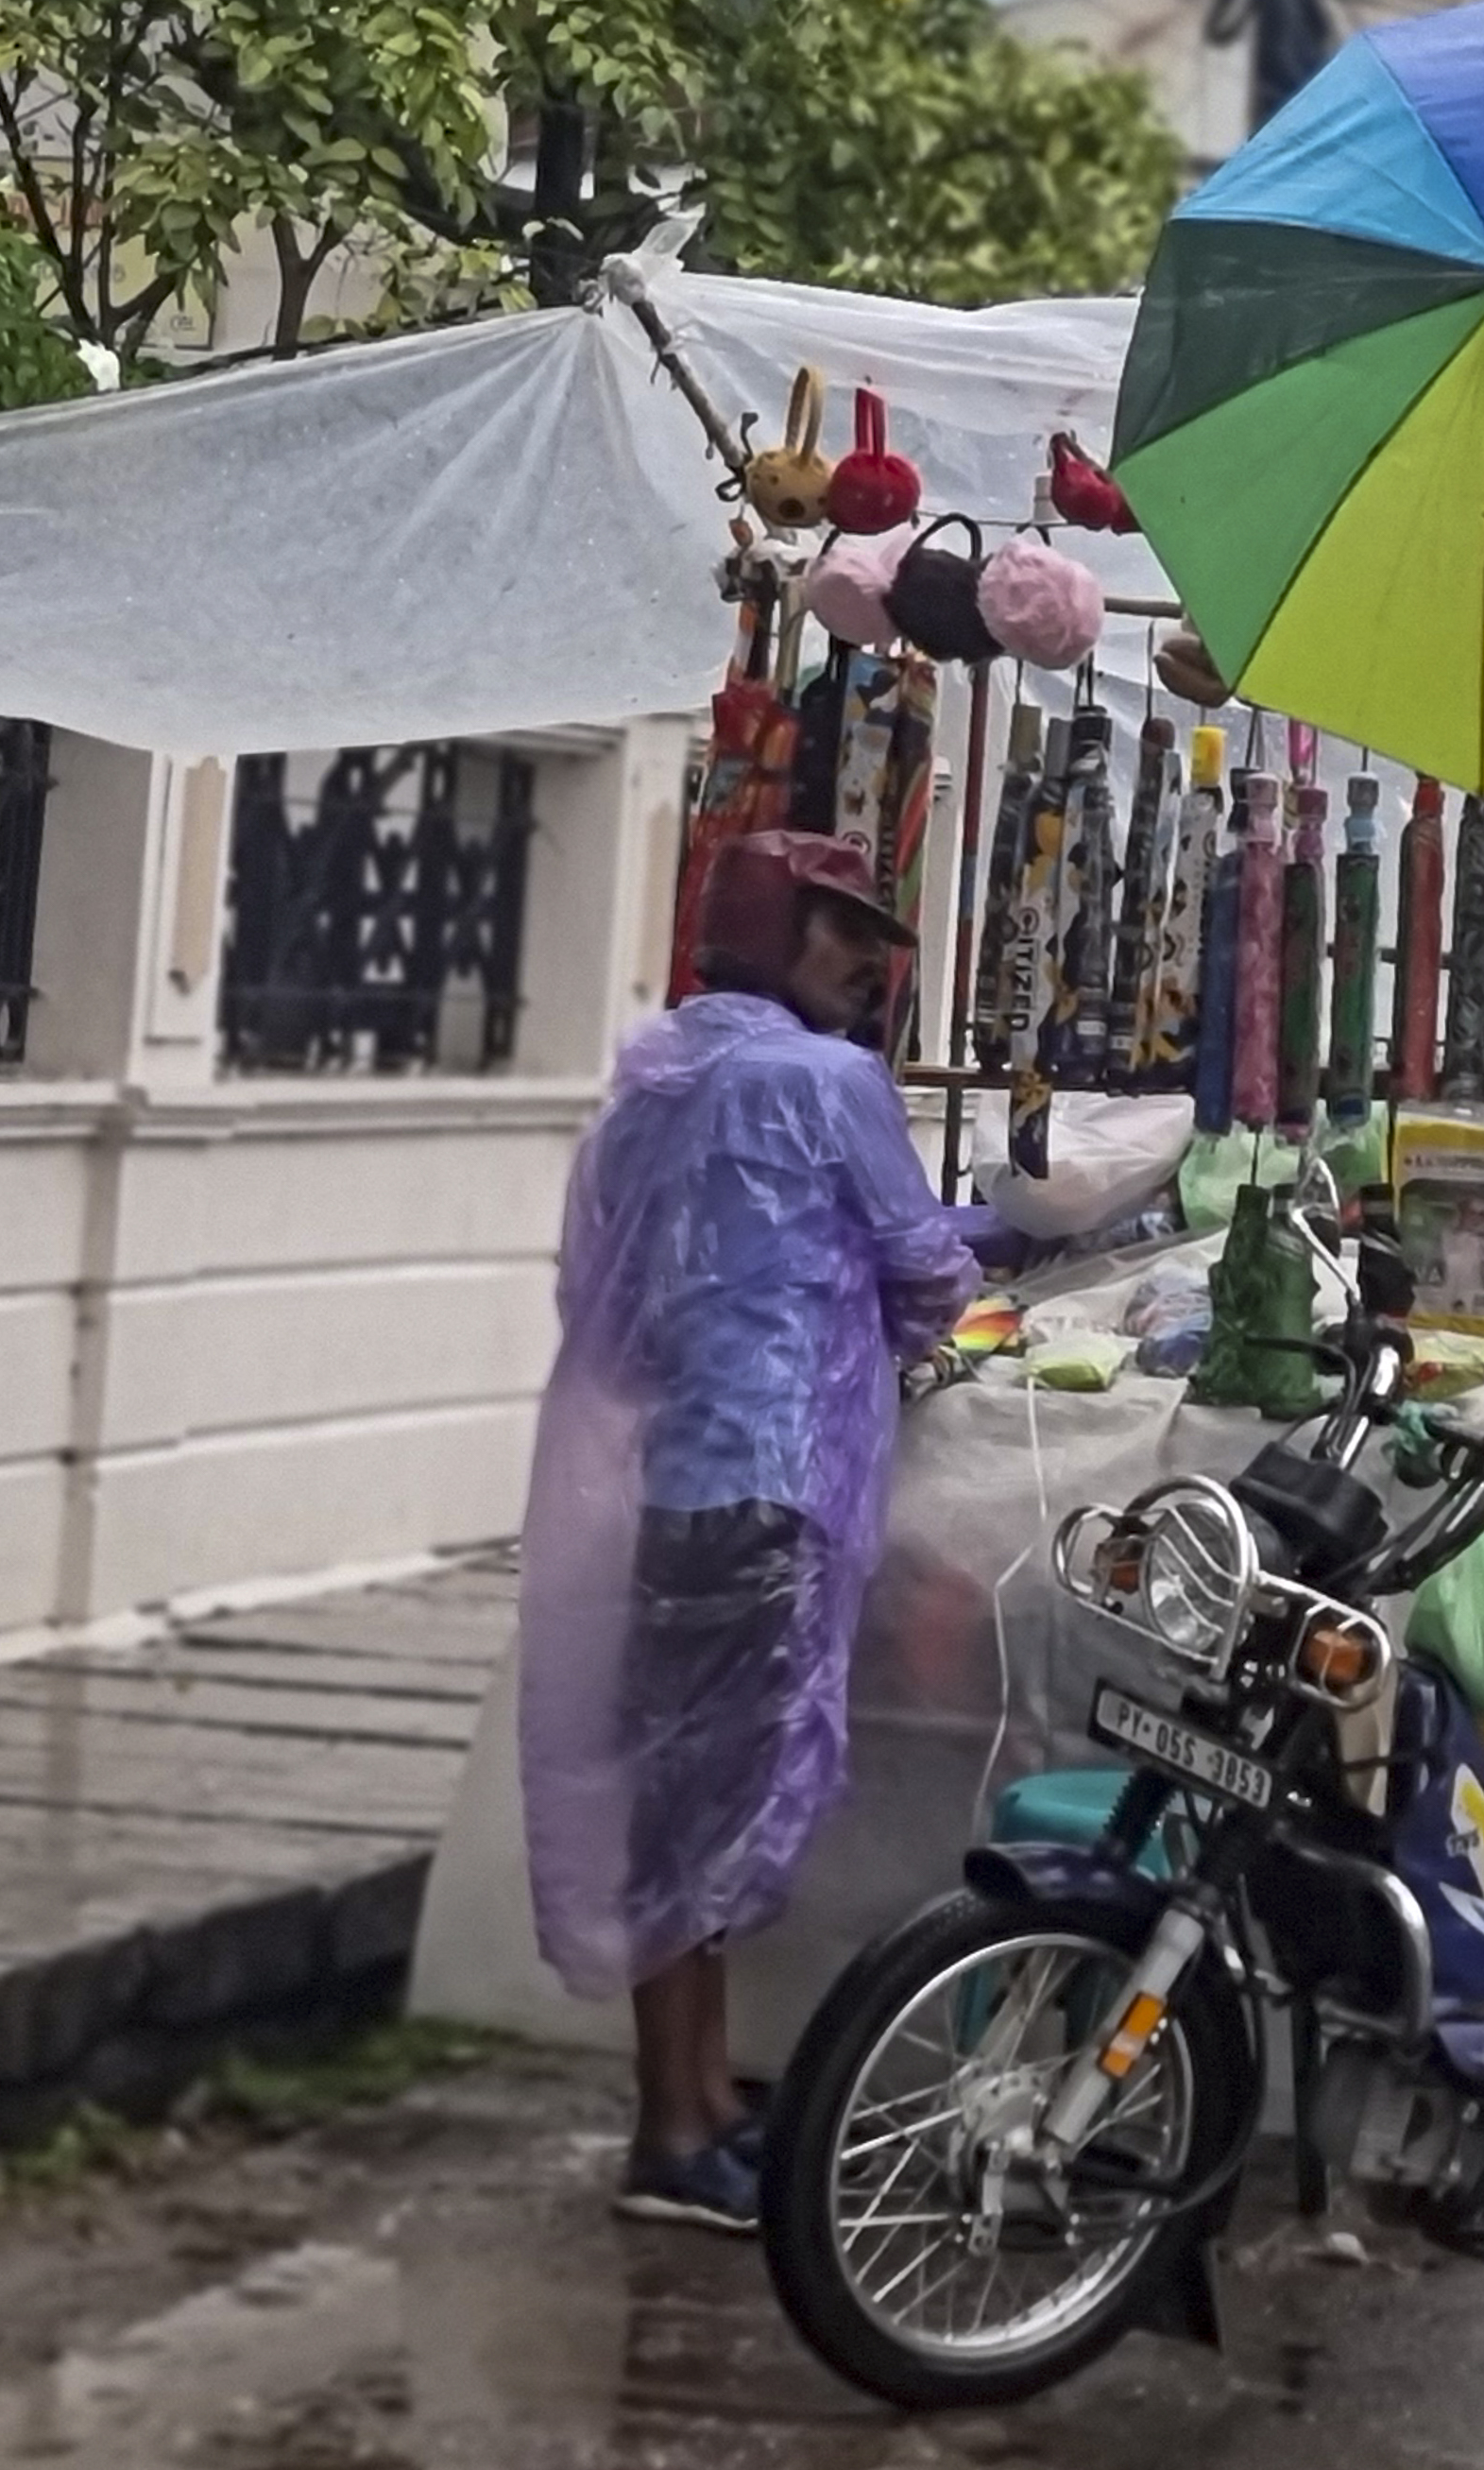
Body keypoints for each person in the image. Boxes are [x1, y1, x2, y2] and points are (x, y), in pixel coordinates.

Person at [516, 830, 1008, 2233]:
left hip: (672, 1487)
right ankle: (675, 2133)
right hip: (777, 1492)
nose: (866, 961)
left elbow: (595, 1289)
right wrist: (945, 1274)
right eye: (841, 929)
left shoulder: (646, 1081)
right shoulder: (829, 1081)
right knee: (708, 1822)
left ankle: (696, 2102)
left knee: (681, 1810)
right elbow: (922, 1274)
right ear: (769, 929)